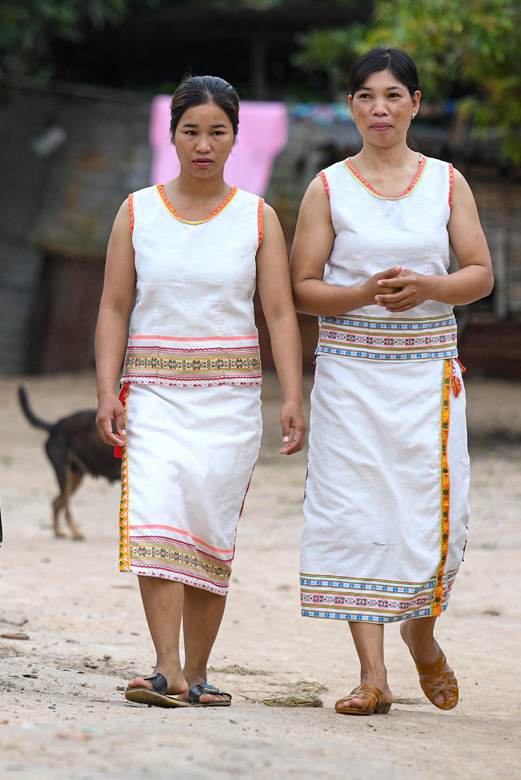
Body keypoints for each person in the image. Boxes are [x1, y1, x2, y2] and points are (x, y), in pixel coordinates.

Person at [290, 48, 493, 716]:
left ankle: (422, 632)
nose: (380, 109)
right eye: (367, 97)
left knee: (440, 519)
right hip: (350, 377)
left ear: (416, 102)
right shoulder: (327, 187)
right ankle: (372, 676)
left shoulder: (445, 181)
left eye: (393, 96)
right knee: (356, 515)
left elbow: (479, 274)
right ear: (351, 107)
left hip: (426, 377)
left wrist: (430, 287)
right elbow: (301, 287)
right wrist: (358, 295)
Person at [94, 75, 306, 708]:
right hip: (153, 394)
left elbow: (280, 312)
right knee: (156, 516)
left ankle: (200, 669)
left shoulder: (258, 217)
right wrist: (108, 390)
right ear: (172, 135)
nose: (204, 145)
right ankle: (164, 669)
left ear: (236, 137)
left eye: (217, 132)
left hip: (230, 402)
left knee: (209, 526)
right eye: (192, 131)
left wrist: (293, 396)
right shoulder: (137, 211)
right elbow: (112, 307)